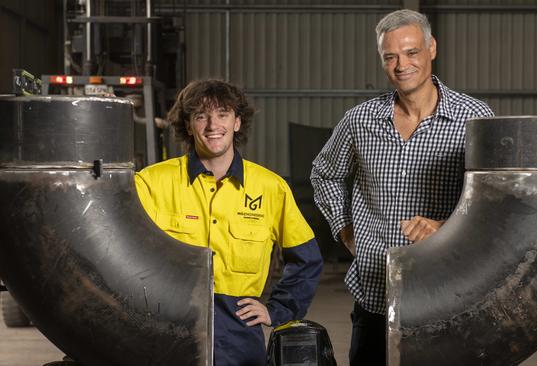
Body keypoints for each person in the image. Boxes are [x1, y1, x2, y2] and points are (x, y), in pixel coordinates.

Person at [310, 9, 495, 365]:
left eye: (411, 52)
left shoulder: (474, 118)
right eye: (390, 56)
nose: (401, 65)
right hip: (376, 293)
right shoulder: (360, 120)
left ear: (432, 48)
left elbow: (494, 201)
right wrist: (346, 230)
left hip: (447, 292)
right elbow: (325, 173)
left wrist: (446, 228)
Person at [136, 79, 323, 366]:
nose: (213, 125)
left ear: (237, 122)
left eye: (222, 114)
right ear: (188, 125)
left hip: (238, 335)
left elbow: (307, 259)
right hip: (166, 328)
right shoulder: (151, 183)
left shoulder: (270, 188)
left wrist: (278, 309)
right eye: (201, 116)